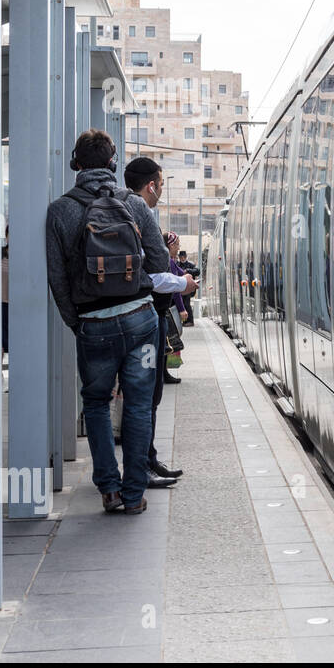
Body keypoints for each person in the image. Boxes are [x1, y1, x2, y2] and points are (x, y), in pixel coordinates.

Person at [46, 130, 169, 514]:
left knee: (97, 403)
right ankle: (134, 496)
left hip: (93, 324)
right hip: (140, 321)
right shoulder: (134, 203)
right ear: (113, 163)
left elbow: (58, 279)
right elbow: (161, 263)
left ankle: (110, 491)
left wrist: (78, 322)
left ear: (75, 164)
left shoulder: (60, 210)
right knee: (137, 403)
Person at [123, 156, 195, 486]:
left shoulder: (118, 206)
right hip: (144, 317)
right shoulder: (142, 210)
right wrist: (183, 283)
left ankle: (122, 475)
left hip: (114, 317)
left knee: (125, 400)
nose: (162, 189)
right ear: (151, 185)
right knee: (146, 398)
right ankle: (142, 469)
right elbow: (154, 273)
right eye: (162, 183)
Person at [177, 249, 199, 325]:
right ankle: (184, 321)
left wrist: (188, 271)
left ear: (186, 257)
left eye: (183, 257)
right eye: (181, 257)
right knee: (181, 304)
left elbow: (197, 271)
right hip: (180, 287)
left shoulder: (190, 264)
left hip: (188, 288)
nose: (182, 258)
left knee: (186, 304)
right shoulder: (177, 264)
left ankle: (190, 321)